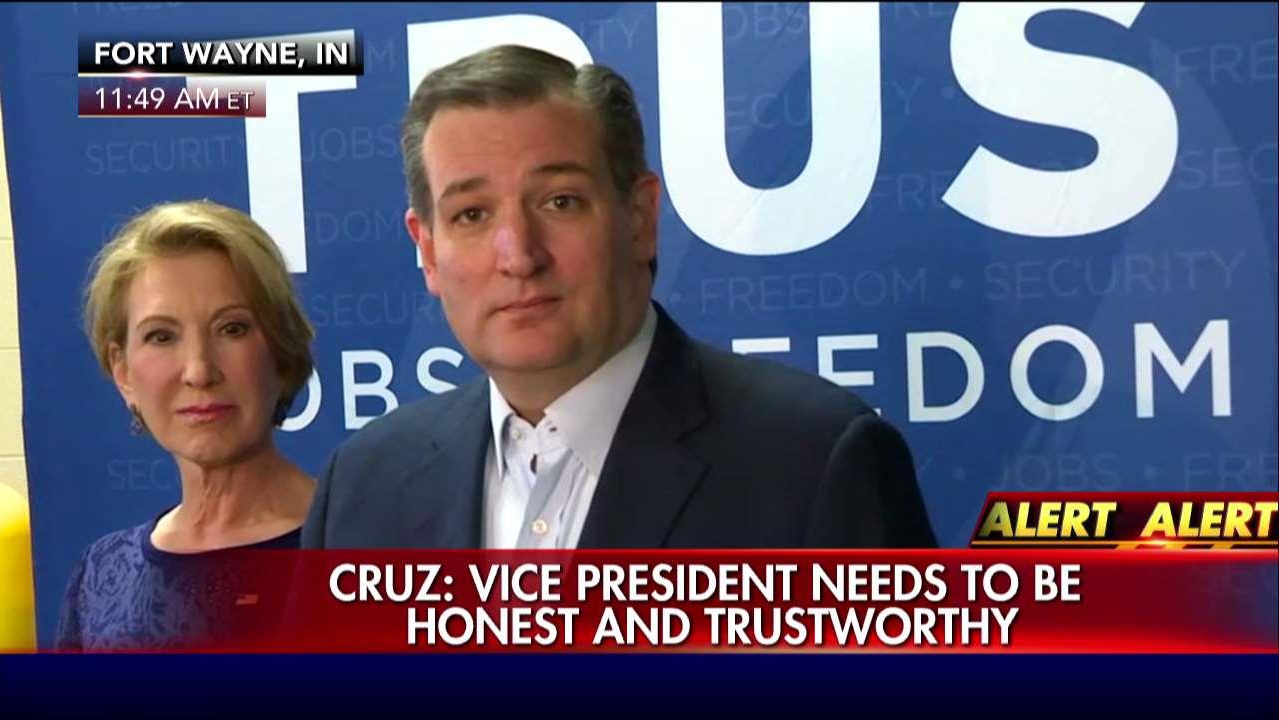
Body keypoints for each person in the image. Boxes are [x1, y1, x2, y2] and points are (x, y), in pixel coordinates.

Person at [302, 45, 935, 550]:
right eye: (471, 214)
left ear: (639, 217)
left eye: (560, 202)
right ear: (427, 250)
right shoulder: (360, 491)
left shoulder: (816, 464)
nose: (518, 255)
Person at [56, 200, 317, 650]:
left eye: (232, 329)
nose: (199, 370)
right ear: (123, 372)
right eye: (161, 336)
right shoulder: (100, 578)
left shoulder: (368, 550)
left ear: (280, 352)